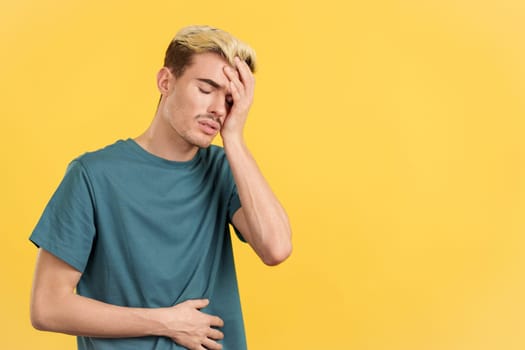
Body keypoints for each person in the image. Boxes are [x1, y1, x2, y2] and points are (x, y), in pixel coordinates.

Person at [29, 25, 292, 350]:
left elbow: (276, 248)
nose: (218, 109)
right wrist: (167, 322)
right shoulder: (92, 175)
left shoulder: (224, 169)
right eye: (206, 88)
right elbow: (48, 307)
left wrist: (234, 138)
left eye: (229, 99)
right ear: (165, 81)